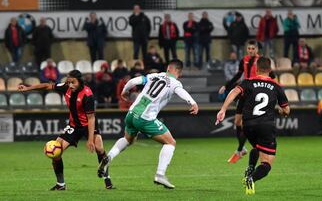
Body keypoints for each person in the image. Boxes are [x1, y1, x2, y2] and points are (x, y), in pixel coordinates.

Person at [97, 59, 199, 189]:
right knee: (170, 142)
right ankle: (160, 175)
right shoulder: (175, 83)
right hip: (145, 118)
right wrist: (192, 102)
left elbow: (133, 81)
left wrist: (124, 91)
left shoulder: (154, 76)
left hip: (131, 113)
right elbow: (181, 92)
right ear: (179, 72)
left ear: (168, 68)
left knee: (128, 139)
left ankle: (108, 158)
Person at [17, 70, 114, 190]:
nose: (70, 85)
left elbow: (91, 118)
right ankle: (61, 184)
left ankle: (107, 178)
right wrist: (28, 88)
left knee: (99, 148)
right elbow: (47, 85)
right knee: (55, 152)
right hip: (73, 126)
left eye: (73, 82)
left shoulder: (87, 94)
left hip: (88, 124)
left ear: (80, 81)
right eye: (68, 82)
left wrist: (90, 140)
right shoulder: (66, 87)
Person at [216, 57, 290, 195]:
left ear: (256, 69)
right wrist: (281, 111)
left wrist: (223, 109)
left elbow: (234, 92)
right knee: (267, 164)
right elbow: (286, 110)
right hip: (266, 126)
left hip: (248, 126)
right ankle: (251, 178)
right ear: (270, 69)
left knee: (257, 148)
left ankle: (250, 167)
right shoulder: (276, 86)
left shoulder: (248, 82)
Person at [218, 40, 275, 164]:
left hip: (254, 95)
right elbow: (239, 75)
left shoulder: (261, 61)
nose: (250, 50)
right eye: (249, 48)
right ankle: (242, 149)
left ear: (257, 50)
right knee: (237, 121)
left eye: (253, 49)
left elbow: (272, 76)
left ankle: (241, 150)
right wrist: (226, 86)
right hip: (245, 91)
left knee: (245, 123)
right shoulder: (244, 60)